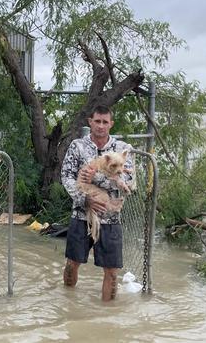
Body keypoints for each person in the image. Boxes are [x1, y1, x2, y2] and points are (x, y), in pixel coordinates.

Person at [61, 105, 134, 301]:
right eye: (97, 121)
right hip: (81, 214)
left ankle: (107, 320)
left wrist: (96, 179)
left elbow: (127, 182)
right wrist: (85, 199)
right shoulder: (77, 146)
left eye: (105, 122)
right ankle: (68, 307)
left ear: (111, 124)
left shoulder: (122, 149)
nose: (101, 126)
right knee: (72, 264)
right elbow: (66, 177)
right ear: (90, 122)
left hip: (110, 219)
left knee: (111, 271)